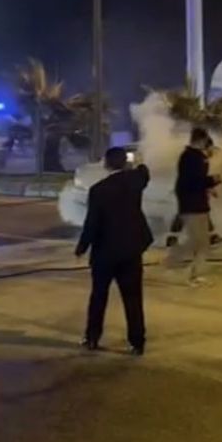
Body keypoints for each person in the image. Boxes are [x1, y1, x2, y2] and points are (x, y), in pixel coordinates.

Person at [76, 147, 152, 356]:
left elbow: (92, 223)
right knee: (133, 298)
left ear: (106, 164)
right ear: (124, 163)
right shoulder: (134, 181)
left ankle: (92, 337)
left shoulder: (98, 190)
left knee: (99, 297)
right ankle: (137, 342)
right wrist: (138, 161)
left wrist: (82, 247)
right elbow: (145, 173)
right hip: (130, 251)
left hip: (104, 253)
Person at [172, 127, 221, 286]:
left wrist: (209, 187)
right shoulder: (191, 158)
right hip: (192, 205)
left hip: (198, 204)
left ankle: (194, 274)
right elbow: (192, 182)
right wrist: (213, 180)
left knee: (201, 243)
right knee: (197, 242)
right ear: (201, 140)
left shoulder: (194, 156)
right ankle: (173, 264)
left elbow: (195, 180)